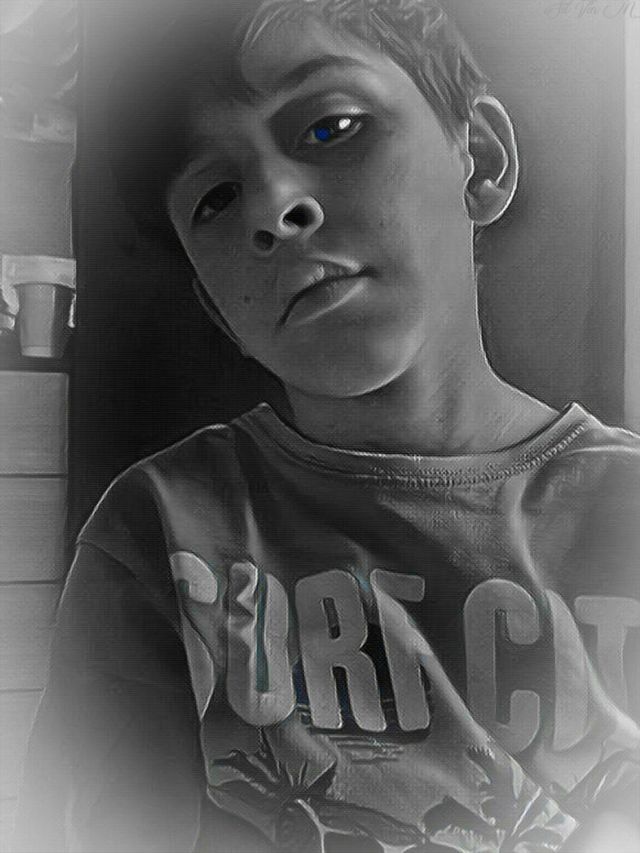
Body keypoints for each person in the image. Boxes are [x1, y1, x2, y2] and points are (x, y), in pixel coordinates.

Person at [13, 1, 640, 851]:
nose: (273, 207)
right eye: (217, 198)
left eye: (332, 127)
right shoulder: (158, 533)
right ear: (219, 310)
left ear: (482, 161)